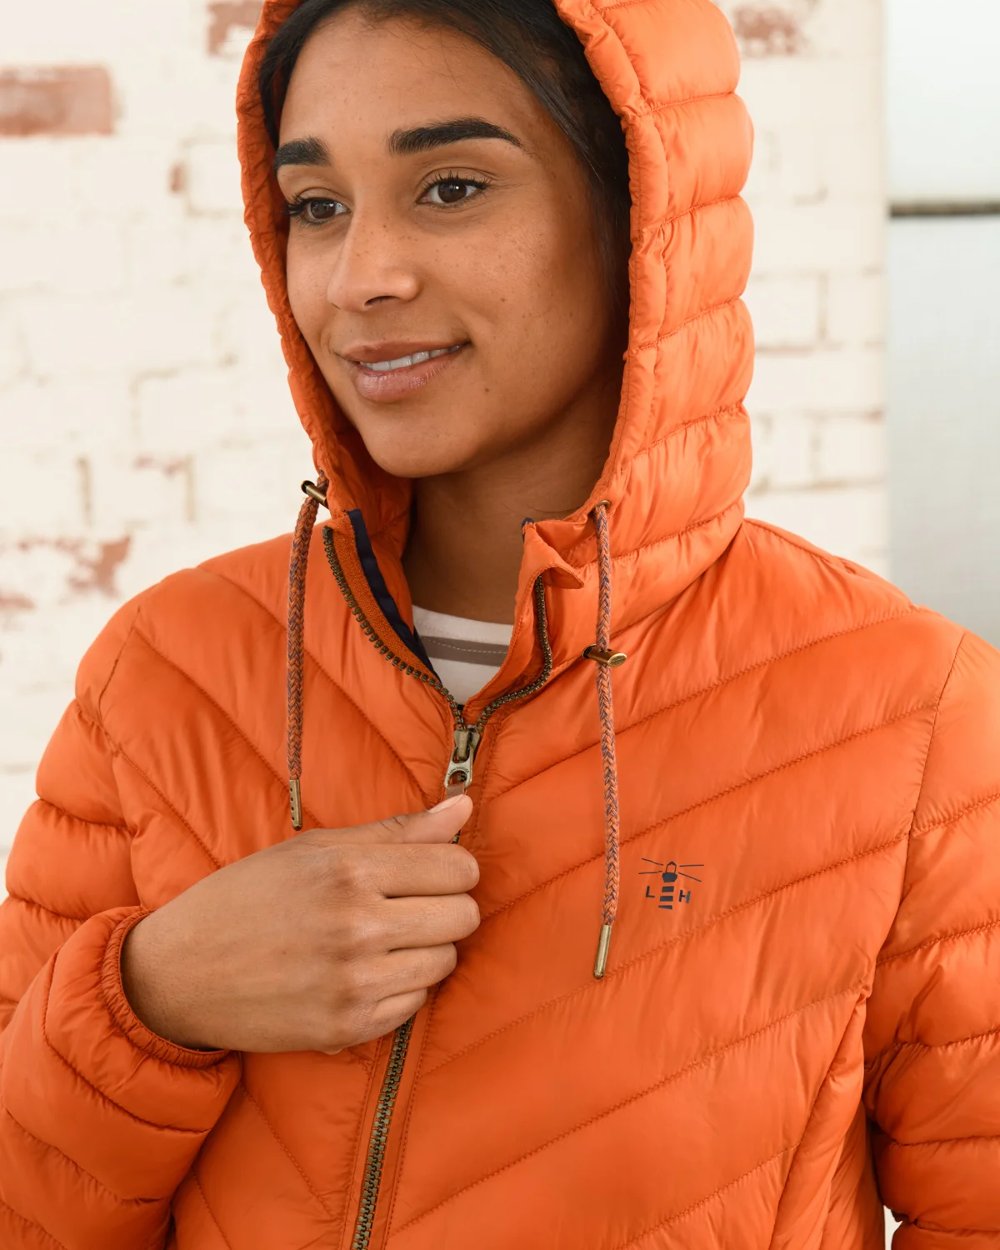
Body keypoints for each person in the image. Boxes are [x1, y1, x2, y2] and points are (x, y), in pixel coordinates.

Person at [1, 0, 998, 1246]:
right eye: (318, 205)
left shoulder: (911, 716)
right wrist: (149, 1000)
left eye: (451, 187)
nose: (361, 275)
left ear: (646, 213)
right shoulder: (166, 672)